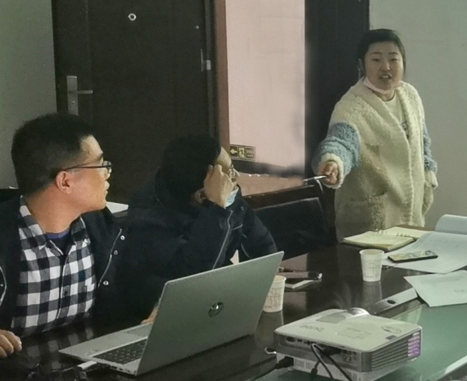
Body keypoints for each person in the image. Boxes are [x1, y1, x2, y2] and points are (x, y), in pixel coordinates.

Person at [0, 113, 128, 358]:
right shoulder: (5, 236)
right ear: (65, 182)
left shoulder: (102, 227)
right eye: (101, 165)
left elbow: (135, 281)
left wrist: (157, 303)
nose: (107, 173)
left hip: (84, 364)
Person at [123, 135, 277, 320]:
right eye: (228, 173)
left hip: (216, 303)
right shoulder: (148, 221)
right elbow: (196, 279)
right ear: (202, 195)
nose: (235, 177)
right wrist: (217, 209)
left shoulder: (224, 194)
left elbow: (263, 247)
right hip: (167, 314)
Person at [313, 29, 438, 239]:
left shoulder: (410, 95)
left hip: (412, 218)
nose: (386, 67)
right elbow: (341, 142)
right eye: (376, 59)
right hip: (370, 225)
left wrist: (428, 176)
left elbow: (422, 142)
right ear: (361, 65)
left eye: (393, 59)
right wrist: (333, 162)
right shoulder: (351, 107)